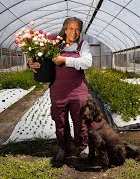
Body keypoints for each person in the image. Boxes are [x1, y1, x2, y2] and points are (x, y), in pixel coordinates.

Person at [28, 17, 93, 161]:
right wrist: (31, 63)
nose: (74, 32)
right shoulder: (55, 46)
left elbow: (87, 62)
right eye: (70, 28)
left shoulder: (83, 45)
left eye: (77, 29)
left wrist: (65, 60)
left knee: (80, 120)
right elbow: (40, 58)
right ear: (65, 29)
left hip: (78, 90)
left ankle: (82, 147)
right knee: (60, 121)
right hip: (58, 90)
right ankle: (63, 148)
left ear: (80, 31)